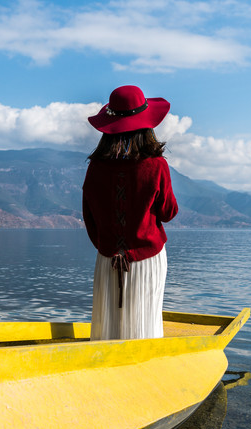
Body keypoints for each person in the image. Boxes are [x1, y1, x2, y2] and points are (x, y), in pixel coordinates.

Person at [82, 85, 179, 340]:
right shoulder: (156, 165)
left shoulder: (95, 168)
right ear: (146, 125)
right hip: (148, 258)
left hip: (107, 259)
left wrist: (109, 248)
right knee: (145, 323)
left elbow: (89, 217)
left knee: (108, 326)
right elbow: (168, 212)